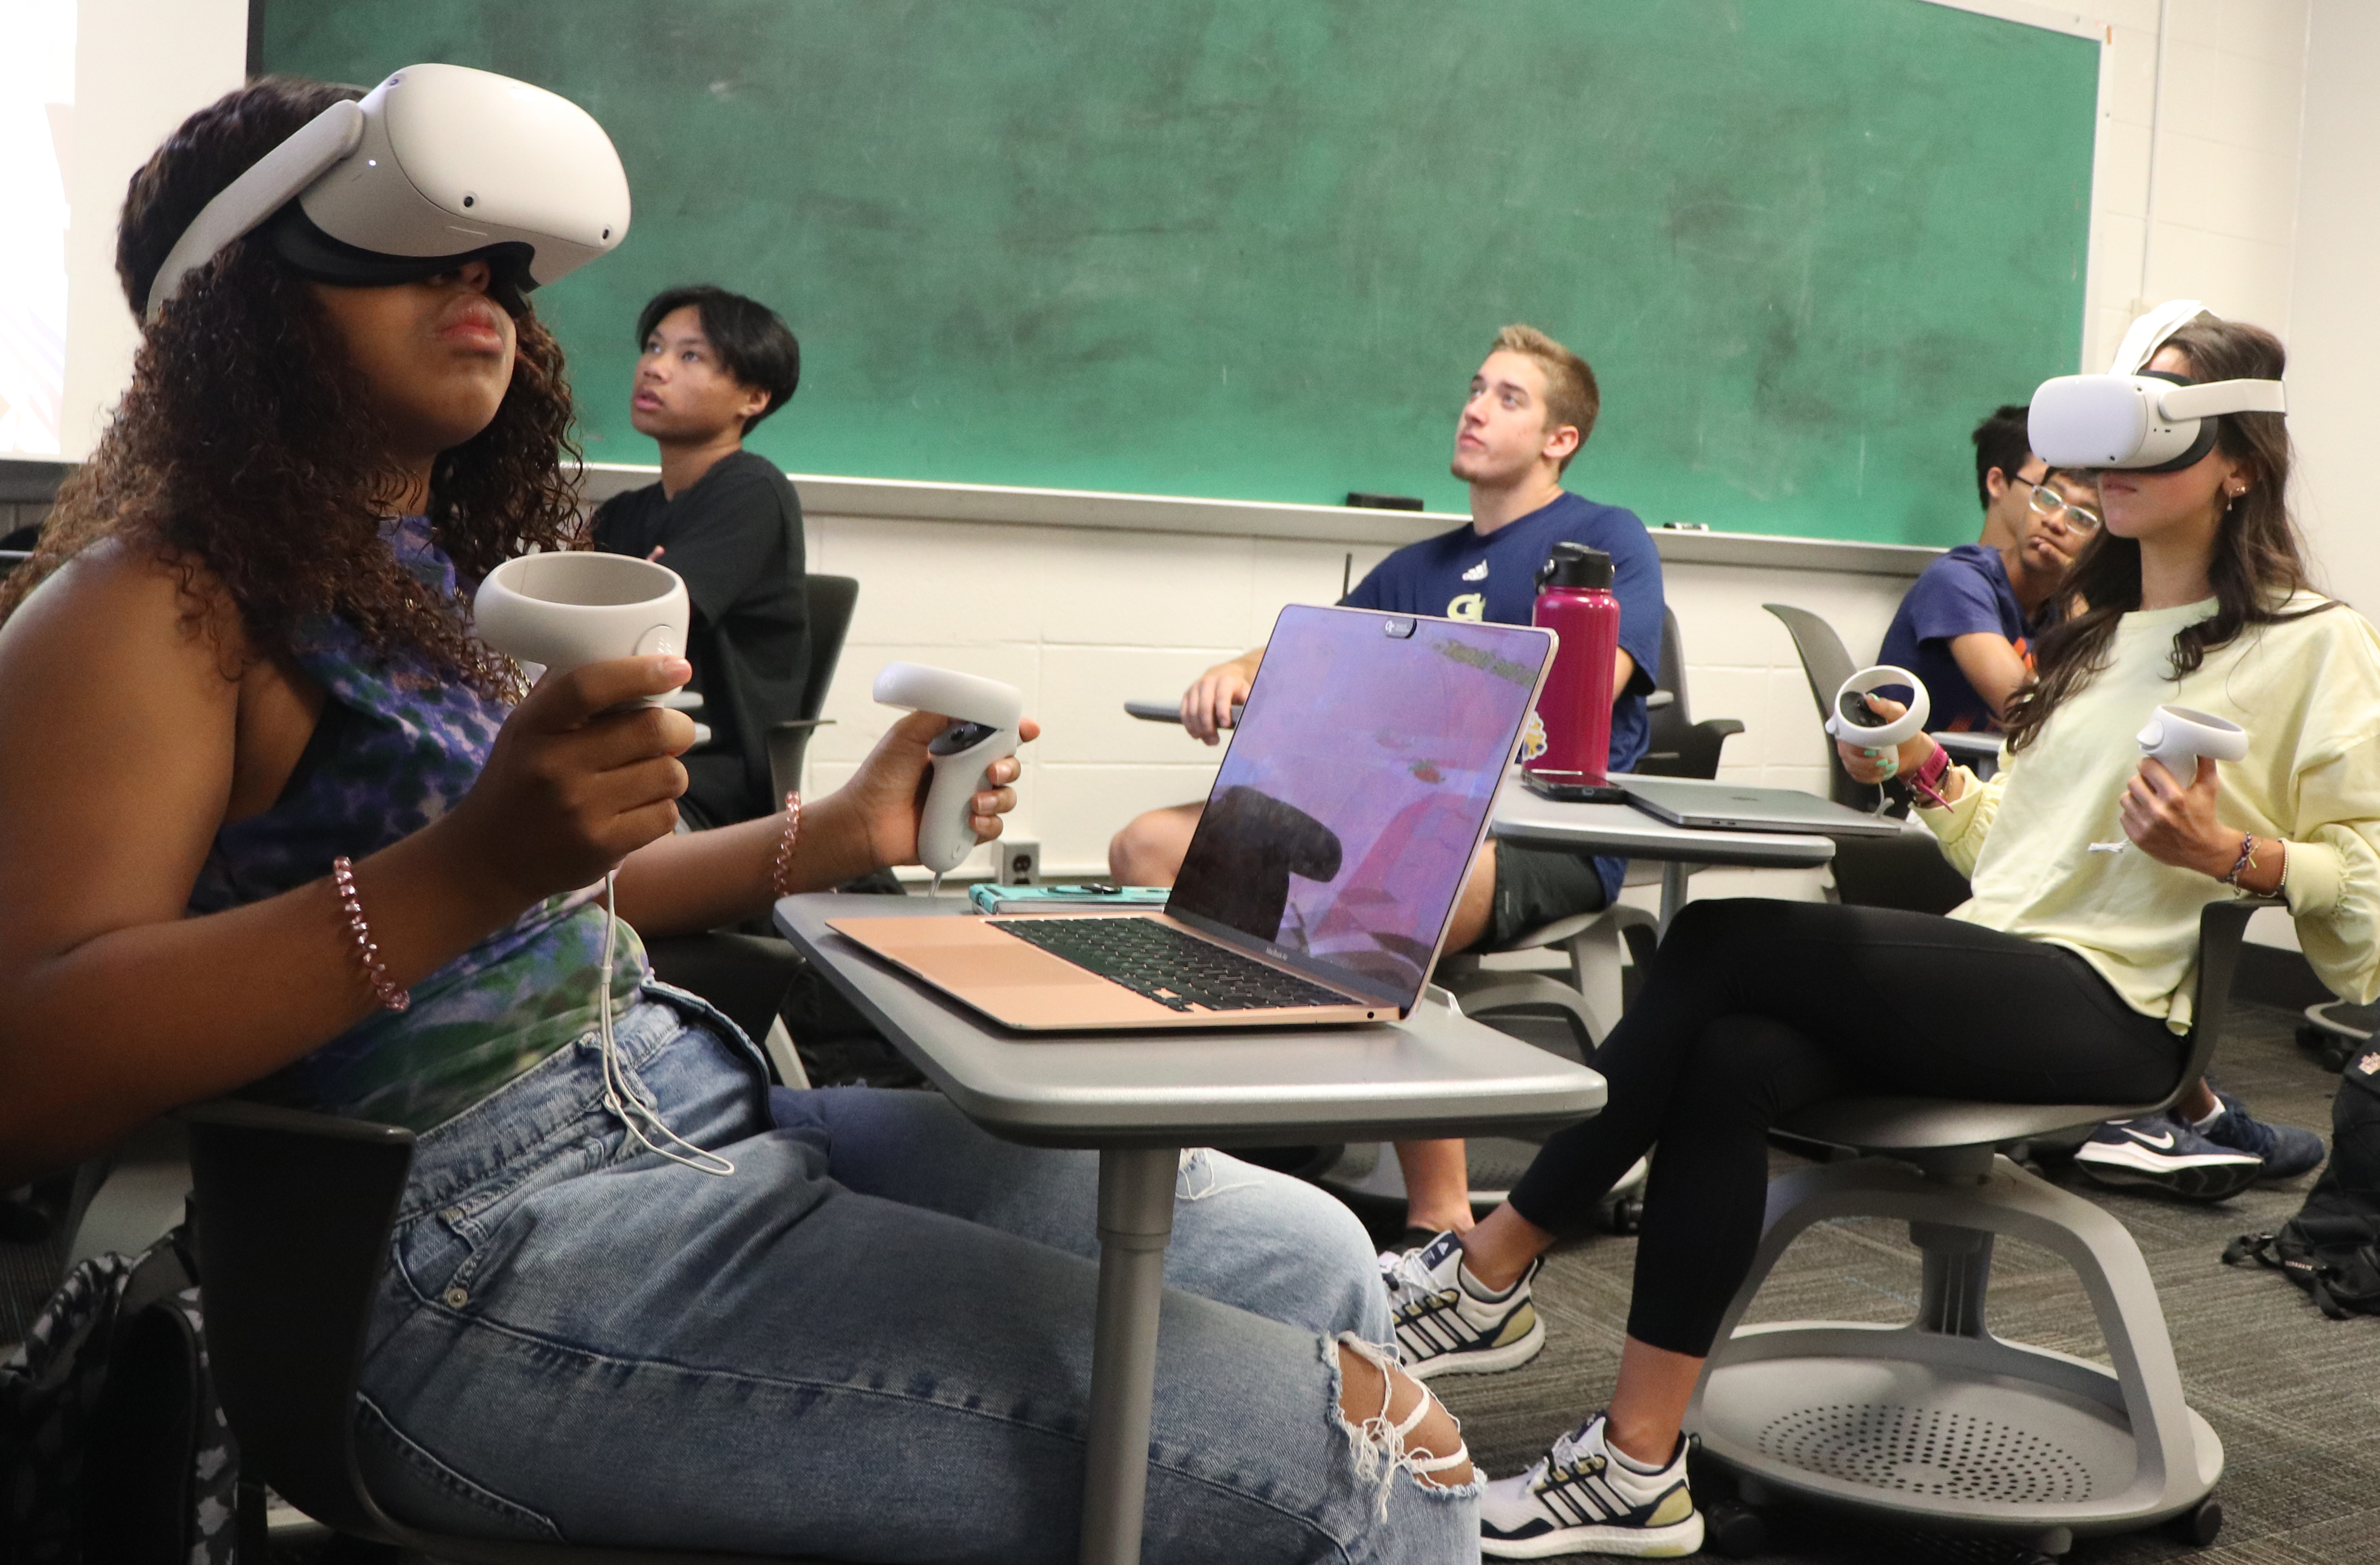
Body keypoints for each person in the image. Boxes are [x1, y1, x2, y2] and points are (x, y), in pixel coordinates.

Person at [0, 78, 1479, 1560]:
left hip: (685, 1104)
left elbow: (554, 902)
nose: (480, 288)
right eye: (404, 246)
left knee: (1315, 1252)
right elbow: (28, 1067)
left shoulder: (417, 583)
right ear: (233, 301)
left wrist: (832, 830)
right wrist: (467, 863)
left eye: (500, 265)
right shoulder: (149, 603)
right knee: (1377, 1458)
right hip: (464, 1251)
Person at [1372, 313, 2369, 1559]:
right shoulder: (2091, 635)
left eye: (2153, 426)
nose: (2109, 462)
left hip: (2111, 1012)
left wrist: (2238, 857)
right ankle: (1635, 1467)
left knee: (1723, 940)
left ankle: (1490, 1261)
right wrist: (1920, 772)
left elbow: (2367, 908)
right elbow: (2014, 854)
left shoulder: (2308, 641)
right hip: (2002, 963)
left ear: (2234, 460)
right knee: (1730, 1053)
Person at [1108, 324, 1664, 1250]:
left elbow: (1584, 697)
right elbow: (1324, 651)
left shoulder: (1604, 540)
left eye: (1509, 397)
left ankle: (1440, 1223)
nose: (1476, 408)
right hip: (1386, 819)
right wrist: (1246, 668)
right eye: (1475, 388)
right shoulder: (1421, 566)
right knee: (1146, 848)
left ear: (1562, 438)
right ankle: (1206, 1138)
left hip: (1534, 837)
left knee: (1374, 895)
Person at [591, 285, 809, 828]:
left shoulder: (753, 491)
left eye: (691, 356)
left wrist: (621, 599)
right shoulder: (622, 514)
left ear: (753, 398)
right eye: (655, 347)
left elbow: (641, 631)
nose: (655, 368)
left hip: (706, 781)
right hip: (618, 760)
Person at [1876, 404, 2096, 731]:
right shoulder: (1956, 579)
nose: (2055, 521)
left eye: (2081, 518)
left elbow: (2097, 713)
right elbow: (2027, 716)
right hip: (1922, 776)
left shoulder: (2062, 607)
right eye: (2049, 498)